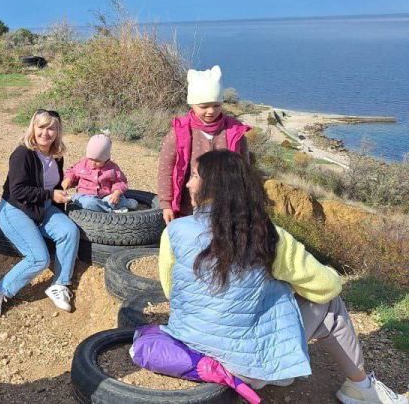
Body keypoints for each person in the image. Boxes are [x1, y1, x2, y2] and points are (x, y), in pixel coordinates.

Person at [158, 150, 406, 404]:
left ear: (214, 185)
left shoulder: (175, 231)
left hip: (186, 347)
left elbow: (171, 291)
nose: (188, 183)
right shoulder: (266, 235)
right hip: (240, 366)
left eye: (195, 176)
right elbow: (328, 286)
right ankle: (361, 389)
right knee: (330, 305)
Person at [0, 109, 80, 318]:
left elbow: (54, 186)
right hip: (16, 209)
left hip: (41, 207)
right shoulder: (22, 154)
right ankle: (0, 290)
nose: (46, 133)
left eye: (51, 128)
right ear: (33, 127)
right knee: (39, 258)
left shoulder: (56, 155)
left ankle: (60, 284)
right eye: (41, 127)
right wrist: (51, 195)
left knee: (69, 231)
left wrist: (59, 197)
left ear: (58, 131)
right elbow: (18, 191)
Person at [156, 65, 250, 224]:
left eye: (216, 105)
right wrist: (166, 204)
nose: (211, 111)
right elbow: (166, 170)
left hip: (225, 206)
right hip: (188, 207)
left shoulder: (234, 132)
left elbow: (244, 169)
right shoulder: (179, 133)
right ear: (191, 104)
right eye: (204, 106)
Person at [62, 132, 138, 213]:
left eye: (98, 161)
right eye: (91, 159)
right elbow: (72, 172)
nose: (93, 163)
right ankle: (112, 211)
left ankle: (123, 203)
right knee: (86, 202)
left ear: (106, 159)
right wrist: (68, 179)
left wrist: (117, 193)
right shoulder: (83, 164)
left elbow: (120, 182)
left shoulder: (112, 168)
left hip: (104, 197)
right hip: (85, 196)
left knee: (111, 200)